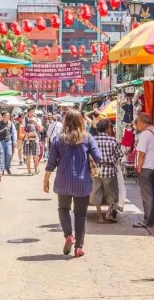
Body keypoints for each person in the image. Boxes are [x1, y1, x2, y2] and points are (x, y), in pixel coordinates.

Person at [43, 111, 102, 258]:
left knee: (63, 209)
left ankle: (69, 235)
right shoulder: (87, 138)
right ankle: (78, 248)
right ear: (81, 121)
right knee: (80, 214)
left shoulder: (58, 139)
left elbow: (51, 163)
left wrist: (46, 180)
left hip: (63, 181)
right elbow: (98, 157)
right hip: (82, 182)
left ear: (65, 121)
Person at [133, 113, 154, 228]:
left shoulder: (145, 134)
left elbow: (142, 153)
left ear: (141, 122)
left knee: (147, 195)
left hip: (146, 168)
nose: (137, 126)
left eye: (137, 123)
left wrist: (139, 168)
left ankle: (147, 220)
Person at [91, 119, 121, 223]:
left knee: (96, 192)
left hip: (95, 170)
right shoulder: (113, 141)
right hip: (109, 170)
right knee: (112, 192)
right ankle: (108, 213)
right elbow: (119, 155)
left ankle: (99, 216)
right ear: (107, 129)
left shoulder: (93, 140)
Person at [21, 108, 42, 175]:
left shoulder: (38, 119)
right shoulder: (25, 119)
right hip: (27, 139)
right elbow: (22, 131)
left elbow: (40, 129)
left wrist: (35, 122)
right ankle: (29, 171)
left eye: (33, 111)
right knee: (28, 156)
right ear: (28, 112)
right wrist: (28, 134)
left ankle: (36, 167)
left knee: (36, 156)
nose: (32, 113)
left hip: (35, 140)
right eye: (31, 112)